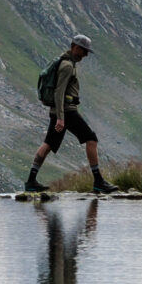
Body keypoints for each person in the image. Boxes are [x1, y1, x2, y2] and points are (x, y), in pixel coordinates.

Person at [25, 35, 112, 194]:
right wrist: (60, 117)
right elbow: (59, 92)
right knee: (91, 139)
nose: (85, 55)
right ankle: (98, 181)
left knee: (49, 143)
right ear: (75, 47)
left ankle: (31, 181)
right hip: (67, 112)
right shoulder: (67, 66)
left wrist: (57, 115)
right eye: (84, 51)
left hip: (60, 111)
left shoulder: (66, 62)